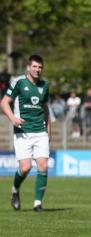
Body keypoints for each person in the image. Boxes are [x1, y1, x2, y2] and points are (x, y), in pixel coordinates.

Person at [1, 55, 51, 211]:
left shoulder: (45, 85)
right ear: (28, 67)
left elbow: (46, 109)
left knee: (43, 165)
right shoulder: (18, 82)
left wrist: (49, 131)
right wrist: (13, 118)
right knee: (25, 167)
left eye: (40, 67)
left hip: (40, 131)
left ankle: (38, 203)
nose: (37, 70)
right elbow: (4, 102)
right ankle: (15, 190)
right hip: (23, 131)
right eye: (35, 66)